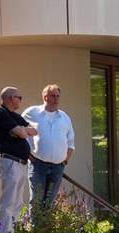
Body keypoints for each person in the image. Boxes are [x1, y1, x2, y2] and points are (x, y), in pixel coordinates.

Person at [22, 84, 75, 216]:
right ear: (45, 97)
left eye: (58, 96)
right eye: (53, 96)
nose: (56, 99)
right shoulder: (32, 113)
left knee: (50, 202)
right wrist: (26, 153)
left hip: (58, 166)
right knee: (36, 200)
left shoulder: (64, 117)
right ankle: (35, 228)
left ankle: (47, 228)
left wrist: (65, 160)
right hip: (38, 164)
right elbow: (19, 131)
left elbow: (71, 142)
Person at [0, 87, 38, 233]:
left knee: (18, 201)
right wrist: (22, 131)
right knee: (9, 199)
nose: (21, 100)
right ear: (11, 98)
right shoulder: (2, 114)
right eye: (19, 97)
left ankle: (13, 230)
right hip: (10, 162)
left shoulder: (15, 116)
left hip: (21, 163)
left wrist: (22, 130)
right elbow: (23, 134)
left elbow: (34, 130)